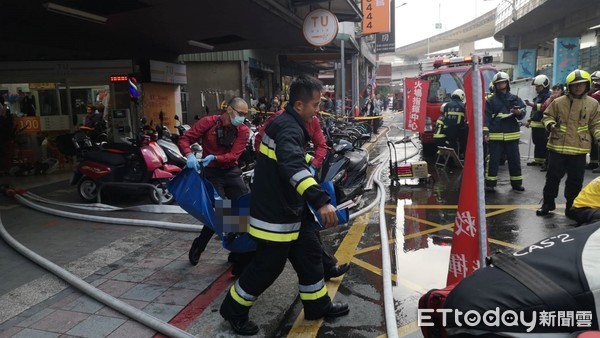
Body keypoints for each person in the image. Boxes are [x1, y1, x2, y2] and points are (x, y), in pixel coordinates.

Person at [219, 74, 348, 336]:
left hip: (291, 211)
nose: (317, 110)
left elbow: (289, 158)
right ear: (299, 105)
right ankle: (233, 309)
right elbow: (291, 166)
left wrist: (310, 158)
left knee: (310, 256)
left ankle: (317, 305)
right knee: (267, 267)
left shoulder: (287, 124)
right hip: (275, 215)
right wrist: (321, 201)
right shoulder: (289, 128)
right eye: (314, 105)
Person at [254, 108, 350, 280]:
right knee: (227, 216)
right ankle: (227, 253)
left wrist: (312, 163)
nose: (317, 110)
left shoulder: (311, 120)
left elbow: (320, 145)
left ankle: (326, 269)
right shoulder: (282, 122)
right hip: (231, 174)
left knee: (307, 232)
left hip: (290, 183)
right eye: (315, 104)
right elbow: (264, 144)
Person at [177, 97, 251, 268]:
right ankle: (200, 245)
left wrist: (216, 157)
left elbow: (233, 156)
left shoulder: (243, 130)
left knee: (242, 210)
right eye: (241, 113)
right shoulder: (208, 123)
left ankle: (237, 252)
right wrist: (188, 155)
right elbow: (185, 140)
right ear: (230, 110)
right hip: (212, 173)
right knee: (222, 211)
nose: (243, 117)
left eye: (245, 114)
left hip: (231, 171)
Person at [537, 69, 600, 216]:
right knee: (552, 178)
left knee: (575, 181)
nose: (578, 87)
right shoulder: (558, 102)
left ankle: (571, 207)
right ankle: (548, 203)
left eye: (582, 85)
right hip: (557, 147)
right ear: (569, 86)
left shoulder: (593, 104)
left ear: (587, 85)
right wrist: (550, 125)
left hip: (579, 149)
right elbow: (546, 116)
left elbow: (596, 123)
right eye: (575, 85)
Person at [484, 72, 526, 192]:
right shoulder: (490, 101)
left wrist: (519, 113)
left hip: (511, 135)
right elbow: (486, 118)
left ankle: (516, 183)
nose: (500, 85)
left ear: (507, 83)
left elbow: (522, 113)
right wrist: (485, 133)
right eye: (498, 83)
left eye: (502, 82)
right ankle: (490, 183)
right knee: (493, 161)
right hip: (496, 136)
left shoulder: (515, 98)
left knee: (514, 160)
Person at [524, 75, 552, 169]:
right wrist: (529, 120)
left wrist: (533, 105)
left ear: (545, 85)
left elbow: (545, 107)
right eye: (536, 86)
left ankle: (545, 161)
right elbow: (534, 111)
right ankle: (538, 161)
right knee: (537, 143)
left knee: (543, 144)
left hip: (543, 125)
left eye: (539, 86)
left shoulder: (549, 96)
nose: (537, 88)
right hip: (535, 125)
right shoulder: (538, 97)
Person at [439, 89, 467, 158]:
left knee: (452, 146)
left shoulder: (447, 105)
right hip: (459, 130)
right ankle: (463, 158)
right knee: (463, 144)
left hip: (449, 130)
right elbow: (465, 119)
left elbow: (445, 118)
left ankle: (452, 160)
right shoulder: (463, 106)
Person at [586, 71, 600, 170]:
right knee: (594, 143)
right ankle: (594, 162)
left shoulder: (596, 94)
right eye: (593, 81)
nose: (594, 83)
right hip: (594, 120)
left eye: (596, 81)